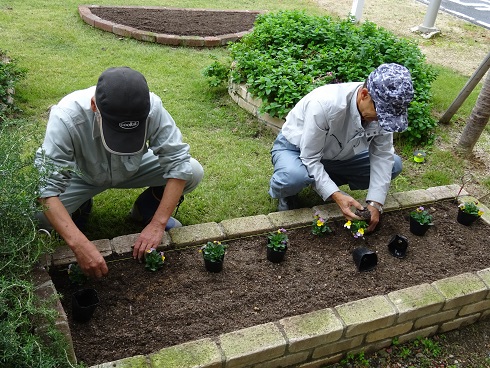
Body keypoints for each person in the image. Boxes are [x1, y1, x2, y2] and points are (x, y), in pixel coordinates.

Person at [35, 67, 204, 279]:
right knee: (39, 217)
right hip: (82, 175)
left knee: (193, 171)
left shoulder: (152, 107)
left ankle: (146, 210)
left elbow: (178, 161)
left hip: (134, 167)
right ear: (94, 105)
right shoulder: (67, 116)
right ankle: (80, 208)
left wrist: (158, 223)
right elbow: (46, 189)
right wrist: (78, 244)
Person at [268, 63, 414, 233]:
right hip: (296, 149)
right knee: (293, 177)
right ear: (364, 95)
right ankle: (288, 193)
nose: (382, 121)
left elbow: (382, 155)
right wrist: (336, 195)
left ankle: (320, 182)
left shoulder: (380, 112)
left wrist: (375, 203)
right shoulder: (325, 104)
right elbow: (310, 158)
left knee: (393, 165)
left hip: (338, 155)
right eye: (380, 114)